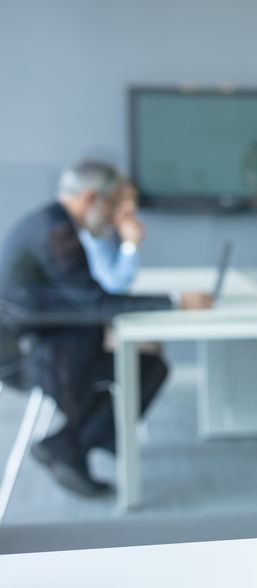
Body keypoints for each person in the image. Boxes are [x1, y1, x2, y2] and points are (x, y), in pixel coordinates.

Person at [0, 160, 213, 496]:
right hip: (40, 357)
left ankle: (78, 442)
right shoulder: (57, 234)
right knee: (148, 368)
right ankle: (76, 441)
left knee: (145, 364)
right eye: (113, 203)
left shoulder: (51, 223)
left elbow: (91, 299)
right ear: (90, 197)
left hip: (44, 344)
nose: (116, 212)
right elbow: (97, 302)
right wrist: (175, 300)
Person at [77, 178, 145, 294]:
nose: (132, 207)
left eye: (133, 199)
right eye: (123, 200)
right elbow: (115, 286)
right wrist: (130, 245)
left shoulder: (114, 232)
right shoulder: (93, 234)